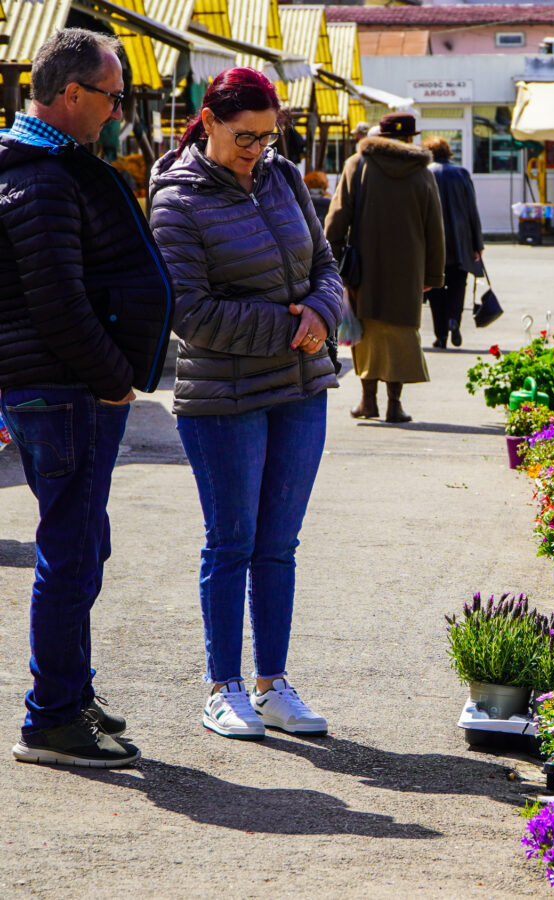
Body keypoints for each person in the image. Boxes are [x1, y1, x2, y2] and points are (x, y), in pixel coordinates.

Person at [149, 68, 341, 741]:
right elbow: (190, 313)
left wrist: (320, 310)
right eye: (243, 137)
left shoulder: (285, 178)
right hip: (222, 397)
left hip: (301, 388)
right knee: (230, 544)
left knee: (278, 546)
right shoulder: (176, 200)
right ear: (207, 122)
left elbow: (325, 262)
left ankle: (273, 685)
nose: (256, 149)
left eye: (267, 136)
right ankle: (222, 687)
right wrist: (292, 328)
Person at [0, 29, 173, 768]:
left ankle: (71, 689)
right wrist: (113, 378)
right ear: (70, 93)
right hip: (64, 389)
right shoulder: (39, 179)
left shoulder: (41, 168)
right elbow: (57, 301)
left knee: (82, 544)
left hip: (59, 386)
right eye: (110, 96)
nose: (115, 111)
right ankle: (52, 718)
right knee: (71, 552)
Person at [326, 112, 445, 423]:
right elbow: (435, 229)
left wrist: (328, 262)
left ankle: (368, 401)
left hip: (364, 270)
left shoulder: (357, 164)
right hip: (408, 271)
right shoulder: (423, 172)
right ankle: (395, 403)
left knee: (365, 332)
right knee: (401, 333)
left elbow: (336, 219)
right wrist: (433, 275)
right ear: (409, 138)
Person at [425, 135, 484, 350]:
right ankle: (454, 321)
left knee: (435, 288)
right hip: (461, 240)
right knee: (459, 283)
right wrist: (478, 243)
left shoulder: (426, 172)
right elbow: (472, 210)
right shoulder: (461, 173)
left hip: (432, 242)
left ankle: (440, 335)